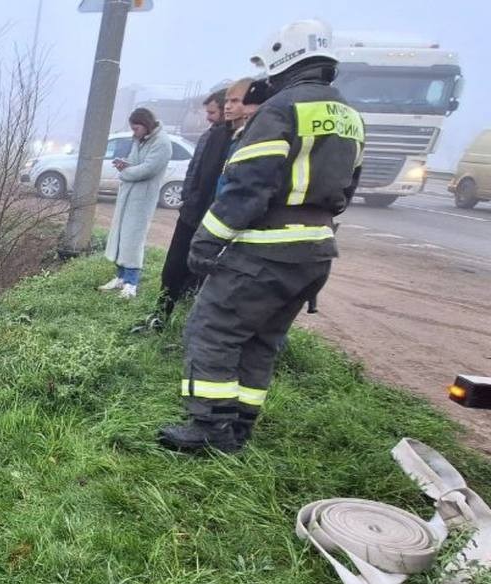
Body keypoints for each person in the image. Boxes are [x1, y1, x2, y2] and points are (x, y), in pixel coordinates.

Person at [158, 19, 364, 452]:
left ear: (281, 56)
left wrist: (207, 240)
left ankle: (209, 429)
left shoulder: (282, 109)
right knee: (262, 339)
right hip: (315, 253)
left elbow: (248, 184)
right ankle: (239, 427)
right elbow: (348, 188)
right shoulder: (348, 115)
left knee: (211, 330)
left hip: (266, 251)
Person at [136, 88, 232, 332]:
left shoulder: (229, 139)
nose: (208, 117)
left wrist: (200, 208)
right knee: (175, 269)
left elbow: (213, 180)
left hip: (205, 218)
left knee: (189, 272)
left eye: (212, 112)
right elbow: (196, 172)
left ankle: (178, 323)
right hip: (191, 214)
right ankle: (162, 316)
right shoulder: (212, 135)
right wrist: (188, 199)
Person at [97, 108, 173, 299]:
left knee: (133, 239)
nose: (134, 132)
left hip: (142, 198)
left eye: (136, 128)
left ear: (146, 125)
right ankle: (121, 277)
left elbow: (147, 170)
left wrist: (124, 172)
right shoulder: (140, 139)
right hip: (128, 195)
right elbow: (134, 162)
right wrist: (125, 163)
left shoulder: (162, 143)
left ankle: (132, 283)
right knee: (122, 235)